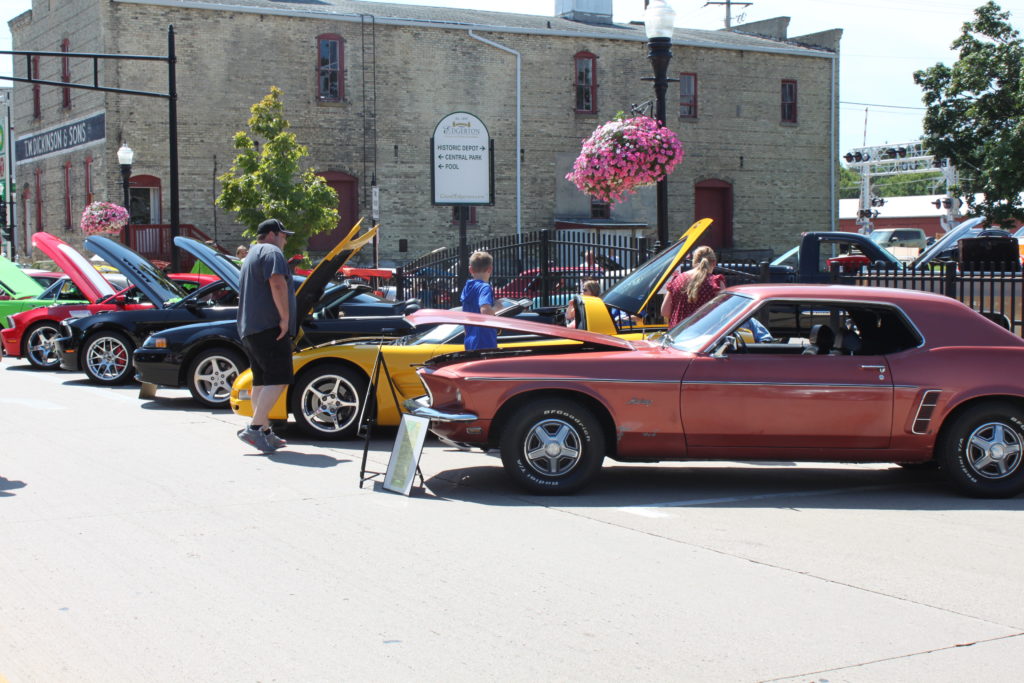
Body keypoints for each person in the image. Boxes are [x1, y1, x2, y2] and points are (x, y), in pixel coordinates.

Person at [236, 218, 297, 453]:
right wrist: (284, 319)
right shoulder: (272, 252)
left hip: (250, 328)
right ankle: (254, 428)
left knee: (262, 380)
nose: (285, 240)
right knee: (279, 378)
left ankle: (263, 431)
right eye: (284, 235)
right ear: (272, 234)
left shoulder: (250, 255)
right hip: (269, 327)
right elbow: (277, 283)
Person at [660, 246, 725, 327]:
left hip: (677, 334)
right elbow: (723, 314)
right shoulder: (716, 282)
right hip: (704, 334)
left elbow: (665, 312)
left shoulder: (677, 279)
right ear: (714, 263)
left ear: (693, 261)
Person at [461, 251, 497, 351]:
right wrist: (498, 307)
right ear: (490, 269)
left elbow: (465, 316)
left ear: (470, 269)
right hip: (485, 342)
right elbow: (485, 311)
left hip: (469, 341)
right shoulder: (484, 287)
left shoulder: (467, 287)